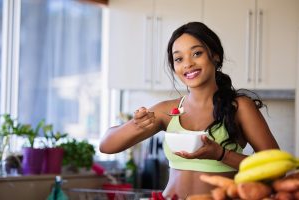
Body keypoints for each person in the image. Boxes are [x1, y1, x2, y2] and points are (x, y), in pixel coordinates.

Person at [99, 22, 279, 198]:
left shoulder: (239, 107)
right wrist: (136, 125)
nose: (188, 64)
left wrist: (221, 154)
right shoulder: (169, 110)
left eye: (197, 53)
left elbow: (276, 170)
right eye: (179, 59)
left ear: (215, 56)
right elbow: (106, 145)